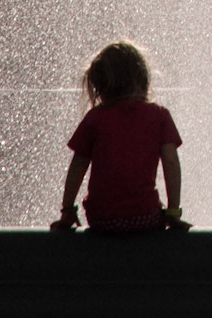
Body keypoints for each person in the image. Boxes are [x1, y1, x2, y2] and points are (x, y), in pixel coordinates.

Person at [50, 40, 188, 233]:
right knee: (155, 209)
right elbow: (171, 162)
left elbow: (78, 165)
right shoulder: (159, 116)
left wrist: (67, 211)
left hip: (101, 219)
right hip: (144, 217)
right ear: (142, 78)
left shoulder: (95, 118)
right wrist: (173, 212)